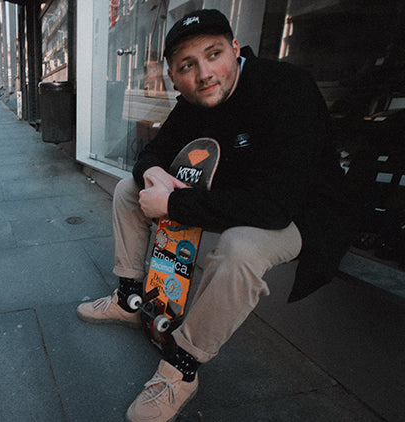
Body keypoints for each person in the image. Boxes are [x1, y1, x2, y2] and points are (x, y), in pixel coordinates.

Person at [76, 9, 356, 422]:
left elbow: (273, 206)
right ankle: (129, 298)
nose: (204, 73)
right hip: (229, 197)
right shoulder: (194, 100)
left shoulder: (287, 89)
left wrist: (172, 205)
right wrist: (152, 172)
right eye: (187, 66)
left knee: (240, 249)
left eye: (214, 54)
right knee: (127, 190)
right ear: (174, 76)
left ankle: (182, 368)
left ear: (235, 50)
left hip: (303, 213)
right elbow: (155, 149)